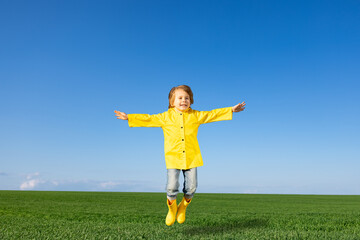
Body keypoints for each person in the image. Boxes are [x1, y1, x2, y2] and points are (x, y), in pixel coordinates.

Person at [114, 85, 246, 226]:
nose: (184, 100)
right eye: (180, 98)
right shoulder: (165, 117)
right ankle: (172, 210)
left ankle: (182, 207)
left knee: (192, 188)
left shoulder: (195, 115)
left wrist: (230, 110)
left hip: (191, 157)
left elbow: (211, 114)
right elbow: (148, 119)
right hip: (173, 158)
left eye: (187, 98)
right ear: (172, 102)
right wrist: (129, 117)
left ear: (191, 101)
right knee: (171, 188)